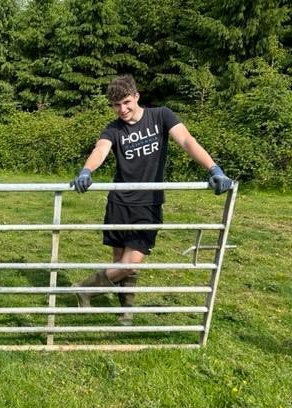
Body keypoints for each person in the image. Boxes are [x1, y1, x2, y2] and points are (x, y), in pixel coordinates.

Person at [70, 74, 233, 325]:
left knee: (130, 263)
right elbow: (100, 149)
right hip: (119, 203)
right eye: (116, 105)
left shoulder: (161, 116)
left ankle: (84, 290)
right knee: (119, 262)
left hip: (148, 204)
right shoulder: (113, 129)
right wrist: (86, 171)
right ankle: (125, 311)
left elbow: (187, 141)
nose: (122, 110)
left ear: (136, 96)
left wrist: (214, 169)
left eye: (126, 102)